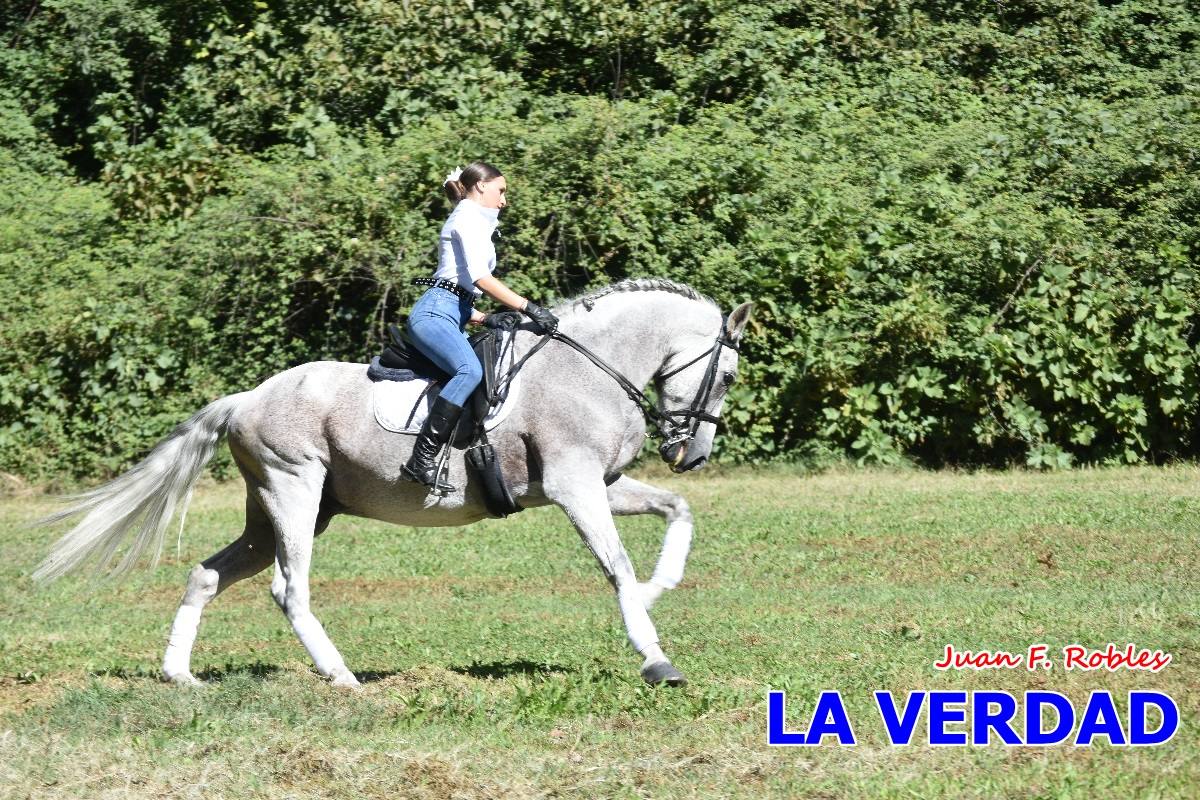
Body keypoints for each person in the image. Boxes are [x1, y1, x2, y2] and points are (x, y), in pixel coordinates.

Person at [401, 160, 559, 493]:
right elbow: (479, 279)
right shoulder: (466, 219)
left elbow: (455, 285)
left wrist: (484, 318)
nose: (504, 200)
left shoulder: (473, 220)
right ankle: (420, 460)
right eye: (501, 191)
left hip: (452, 311)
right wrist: (528, 306)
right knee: (469, 371)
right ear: (481, 186)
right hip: (434, 314)